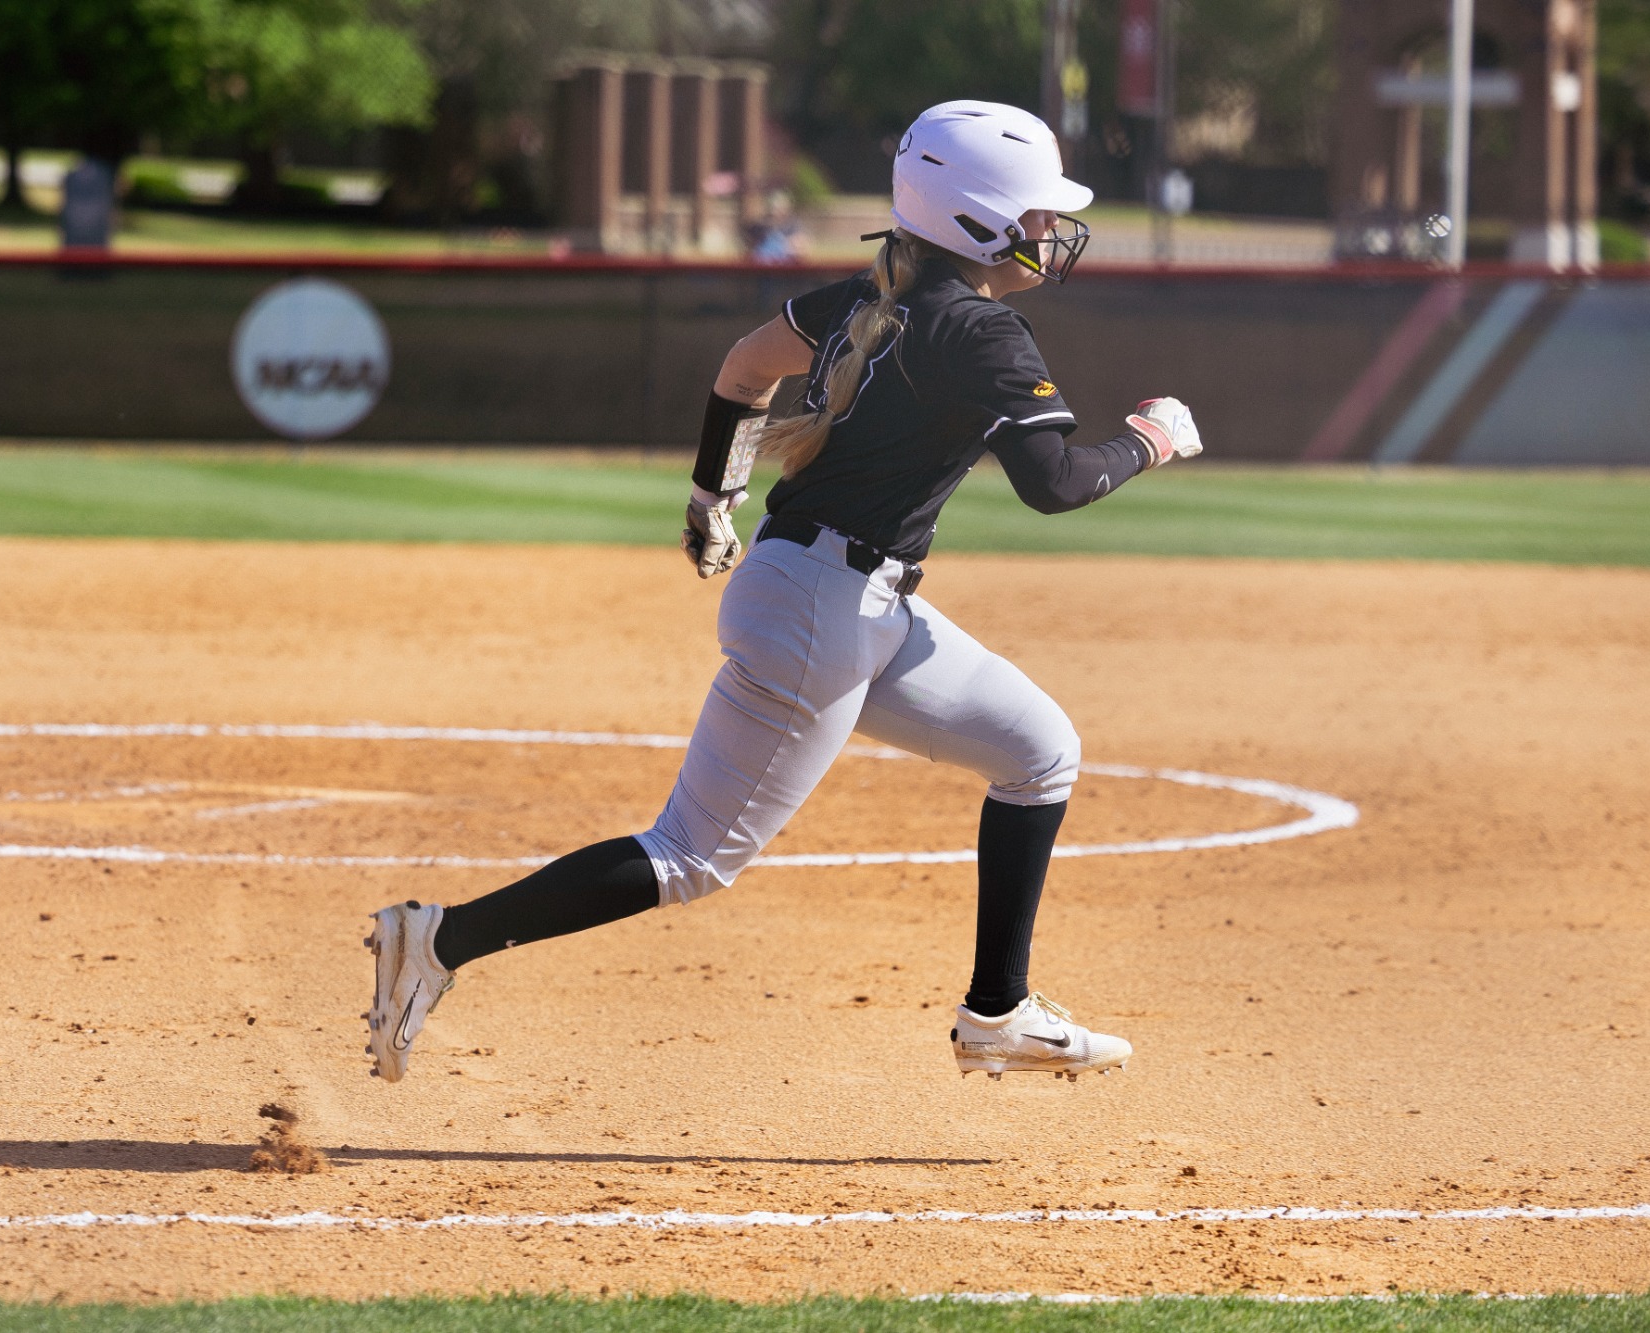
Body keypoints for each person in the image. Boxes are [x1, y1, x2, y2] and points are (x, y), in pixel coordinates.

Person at [364, 100, 1203, 1085]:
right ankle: (439, 940)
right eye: (1028, 217)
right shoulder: (982, 332)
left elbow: (742, 368)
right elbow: (1055, 484)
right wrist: (1150, 437)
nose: (1044, 236)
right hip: (822, 614)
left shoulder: (870, 294)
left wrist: (708, 497)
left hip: (843, 599)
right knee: (688, 857)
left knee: (1037, 749)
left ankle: (996, 1010)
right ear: (975, 218)